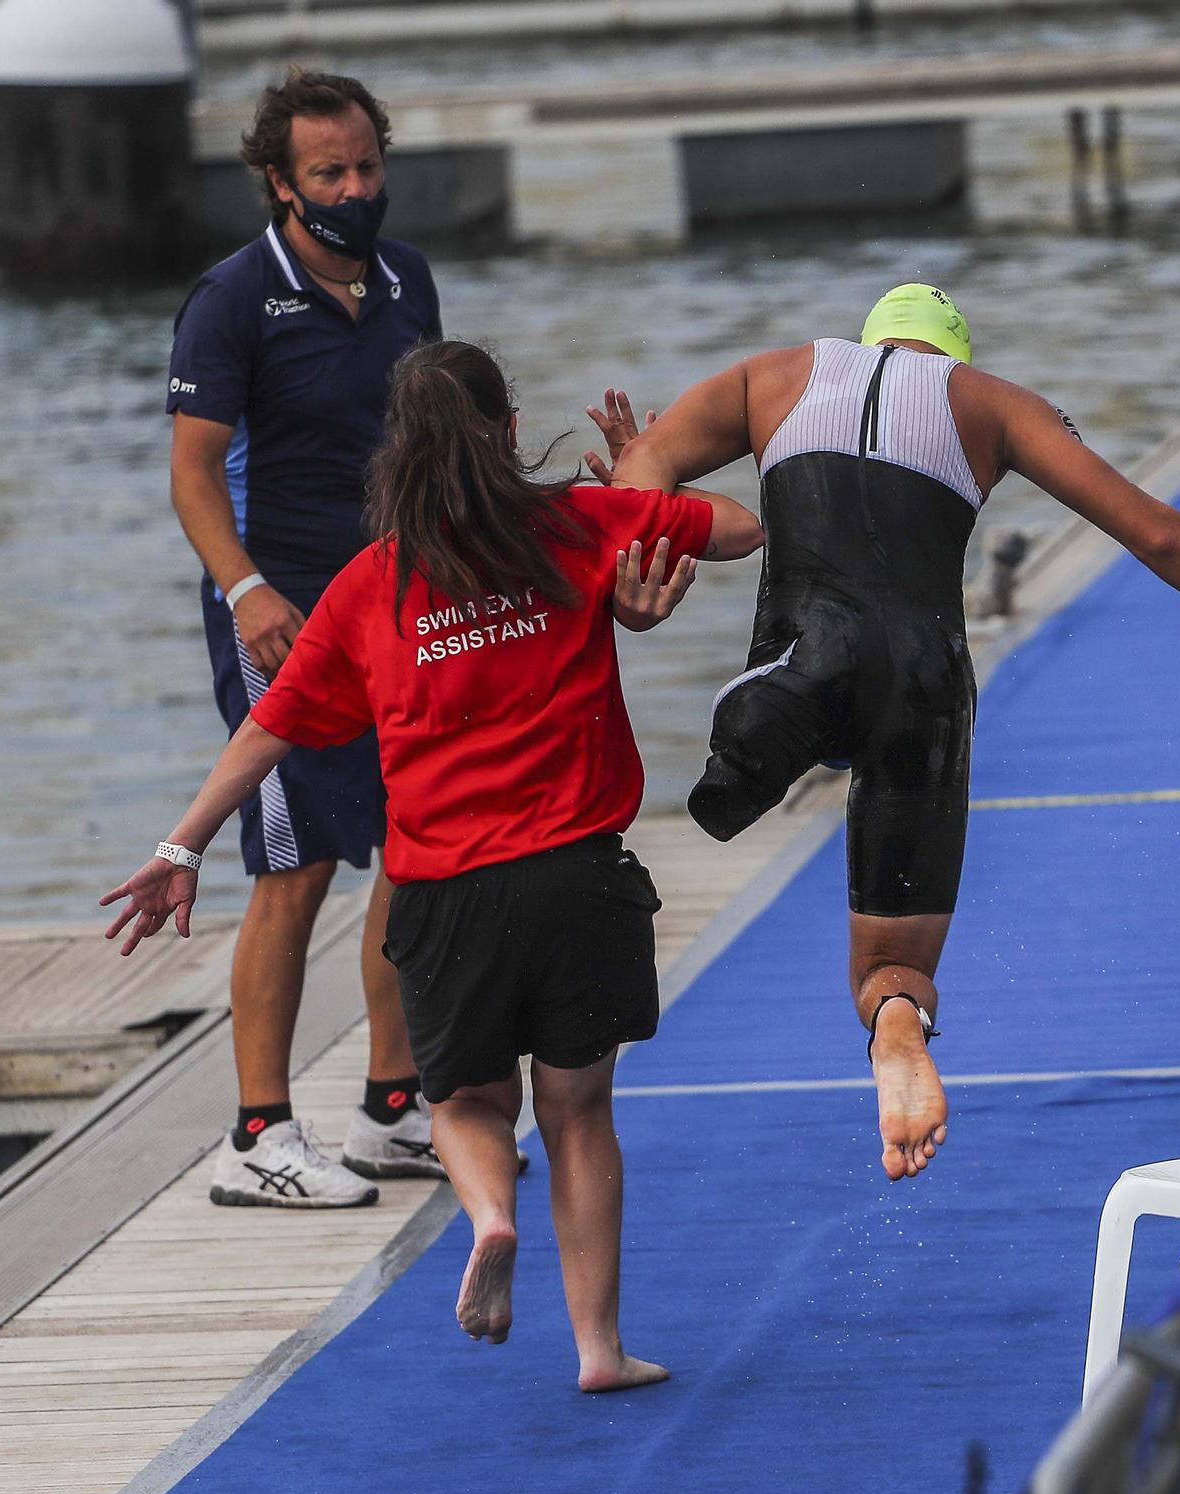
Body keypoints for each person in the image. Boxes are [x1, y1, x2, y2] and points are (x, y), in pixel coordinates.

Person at [108, 339, 764, 1386]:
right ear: (506, 435)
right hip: (580, 876)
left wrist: (177, 844)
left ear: (397, 455)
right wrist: (642, 490)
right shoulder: (577, 525)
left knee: (462, 1105)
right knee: (580, 1109)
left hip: (447, 891)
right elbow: (740, 528)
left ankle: (490, 1212)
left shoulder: (373, 585)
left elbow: (269, 727)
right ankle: (598, 1347)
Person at [599, 282, 1180, 1183]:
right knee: (887, 964)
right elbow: (1154, 535)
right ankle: (897, 1029)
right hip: (925, 689)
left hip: (806, 660)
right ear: (952, 357)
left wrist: (633, 528)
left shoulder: (772, 375)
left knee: (780, 697)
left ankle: (755, 744)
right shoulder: (992, 405)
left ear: (870, 339)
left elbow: (646, 470)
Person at [166, 68, 450, 1206]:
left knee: (413, 839)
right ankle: (257, 1134)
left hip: (394, 602)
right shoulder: (231, 299)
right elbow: (191, 477)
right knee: (296, 863)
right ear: (279, 181)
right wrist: (245, 591)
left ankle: (391, 1107)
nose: (353, 186)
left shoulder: (407, 278)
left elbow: (432, 446)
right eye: (328, 172)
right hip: (276, 616)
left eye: (367, 165)